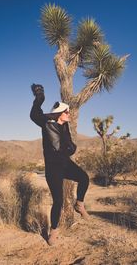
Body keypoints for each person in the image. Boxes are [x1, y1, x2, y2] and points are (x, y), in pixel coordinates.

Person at [30, 84, 89, 246]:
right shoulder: (46, 122)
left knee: (84, 178)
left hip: (66, 164)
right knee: (58, 201)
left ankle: (79, 204)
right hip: (53, 168)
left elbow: (70, 145)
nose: (69, 114)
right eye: (67, 112)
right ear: (59, 114)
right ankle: (53, 232)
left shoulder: (66, 126)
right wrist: (39, 97)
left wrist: (71, 148)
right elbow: (34, 114)